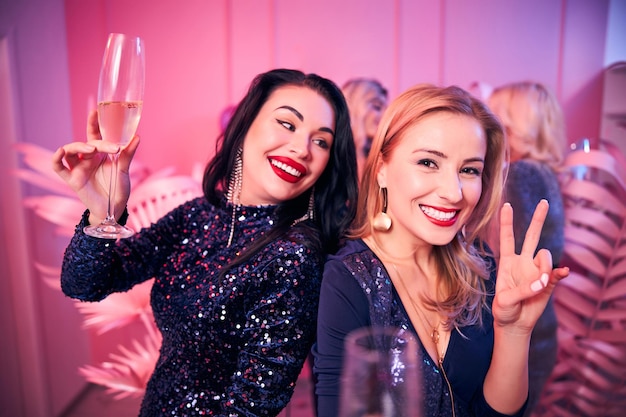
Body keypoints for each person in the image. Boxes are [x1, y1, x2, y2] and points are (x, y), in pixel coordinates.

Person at [52, 68, 358, 416]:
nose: (302, 148)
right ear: (244, 127)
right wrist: (102, 212)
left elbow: (252, 405)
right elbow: (84, 284)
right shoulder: (197, 215)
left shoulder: (294, 254)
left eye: (321, 141)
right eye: (287, 124)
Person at [312, 84, 569, 416]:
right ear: (382, 170)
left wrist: (515, 331)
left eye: (469, 170)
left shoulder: (480, 265)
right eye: (429, 163)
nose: (453, 192)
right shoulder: (348, 280)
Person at [487, 81, 566, 416]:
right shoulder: (543, 171)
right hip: (538, 326)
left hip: (524, 328)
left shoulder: (521, 174)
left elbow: (512, 254)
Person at [341, 78, 388, 179]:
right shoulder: (333, 158)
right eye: (377, 107)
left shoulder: (382, 162)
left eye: (386, 110)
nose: (384, 115)